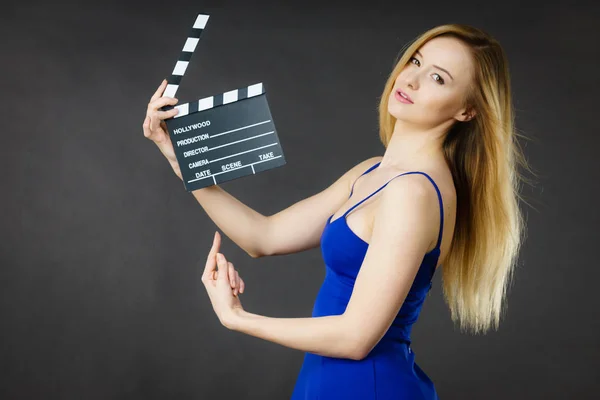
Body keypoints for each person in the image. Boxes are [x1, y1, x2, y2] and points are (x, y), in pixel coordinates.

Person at [142, 23, 530, 400]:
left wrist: (238, 318)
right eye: (415, 61)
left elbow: (355, 338)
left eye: (439, 78)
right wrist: (180, 159)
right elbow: (264, 237)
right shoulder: (371, 171)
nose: (411, 80)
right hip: (326, 382)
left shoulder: (414, 192)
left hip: (367, 387)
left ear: (467, 111)